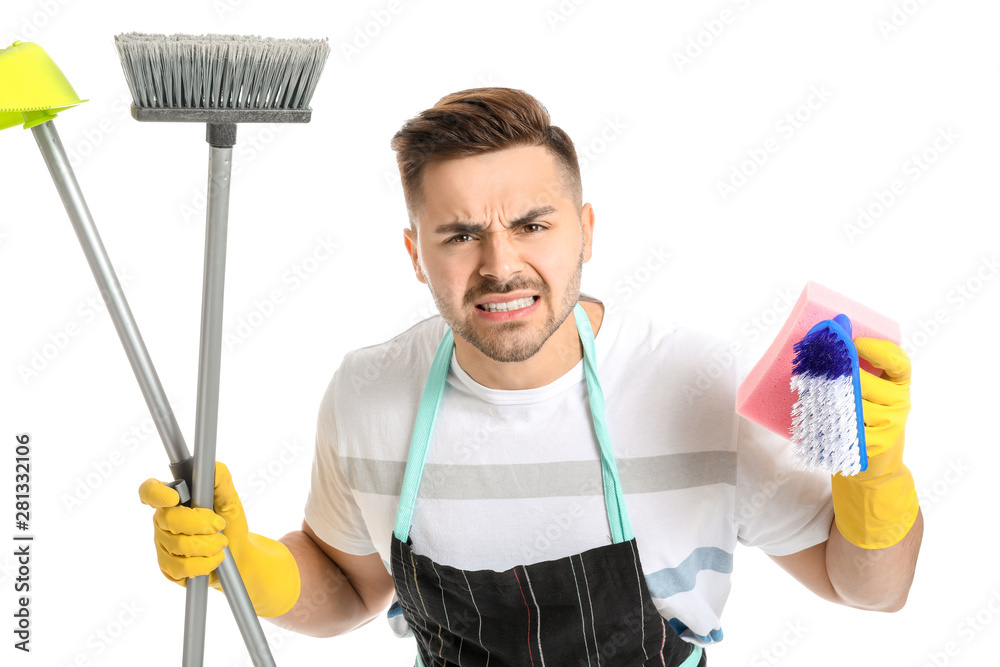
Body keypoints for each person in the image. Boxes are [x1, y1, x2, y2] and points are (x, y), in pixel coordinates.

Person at [138, 87, 923, 666]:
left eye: (532, 224)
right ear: (416, 253)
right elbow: (347, 589)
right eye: (459, 234)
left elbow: (869, 590)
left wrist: (876, 480)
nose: (500, 263)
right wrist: (247, 564)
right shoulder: (368, 395)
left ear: (584, 231)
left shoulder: (696, 386)